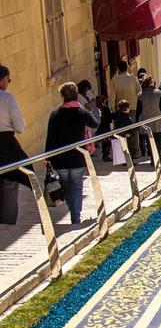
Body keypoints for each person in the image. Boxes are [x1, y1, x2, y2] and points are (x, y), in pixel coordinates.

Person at [45, 81, 100, 224]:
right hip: (77, 157)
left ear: (62, 96)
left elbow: (50, 138)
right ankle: (75, 216)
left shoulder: (55, 114)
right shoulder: (82, 113)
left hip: (60, 159)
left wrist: (47, 157)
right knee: (76, 186)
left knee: (66, 186)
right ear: (76, 95)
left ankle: (73, 211)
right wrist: (95, 111)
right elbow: (95, 123)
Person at [0, 65, 31, 225]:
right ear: (3, 79)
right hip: (5, 145)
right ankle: (7, 224)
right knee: (10, 182)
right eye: (9, 80)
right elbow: (19, 127)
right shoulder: (8, 98)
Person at [108, 60, 140, 159]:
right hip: (133, 108)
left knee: (121, 131)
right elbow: (139, 92)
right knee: (133, 130)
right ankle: (135, 152)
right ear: (127, 67)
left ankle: (122, 153)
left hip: (120, 109)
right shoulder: (134, 79)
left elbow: (112, 96)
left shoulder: (114, 80)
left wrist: (113, 109)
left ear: (118, 69)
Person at [136, 76, 161, 164]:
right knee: (157, 140)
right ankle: (158, 158)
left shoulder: (140, 95)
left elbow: (138, 109)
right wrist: (159, 113)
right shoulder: (158, 93)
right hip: (157, 119)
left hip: (146, 120)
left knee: (149, 141)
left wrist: (137, 120)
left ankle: (153, 159)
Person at [95, 95, 113, 162]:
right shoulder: (106, 108)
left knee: (104, 142)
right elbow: (110, 118)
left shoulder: (95, 108)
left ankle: (105, 155)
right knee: (107, 142)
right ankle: (106, 156)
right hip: (106, 128)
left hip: (99, 128)